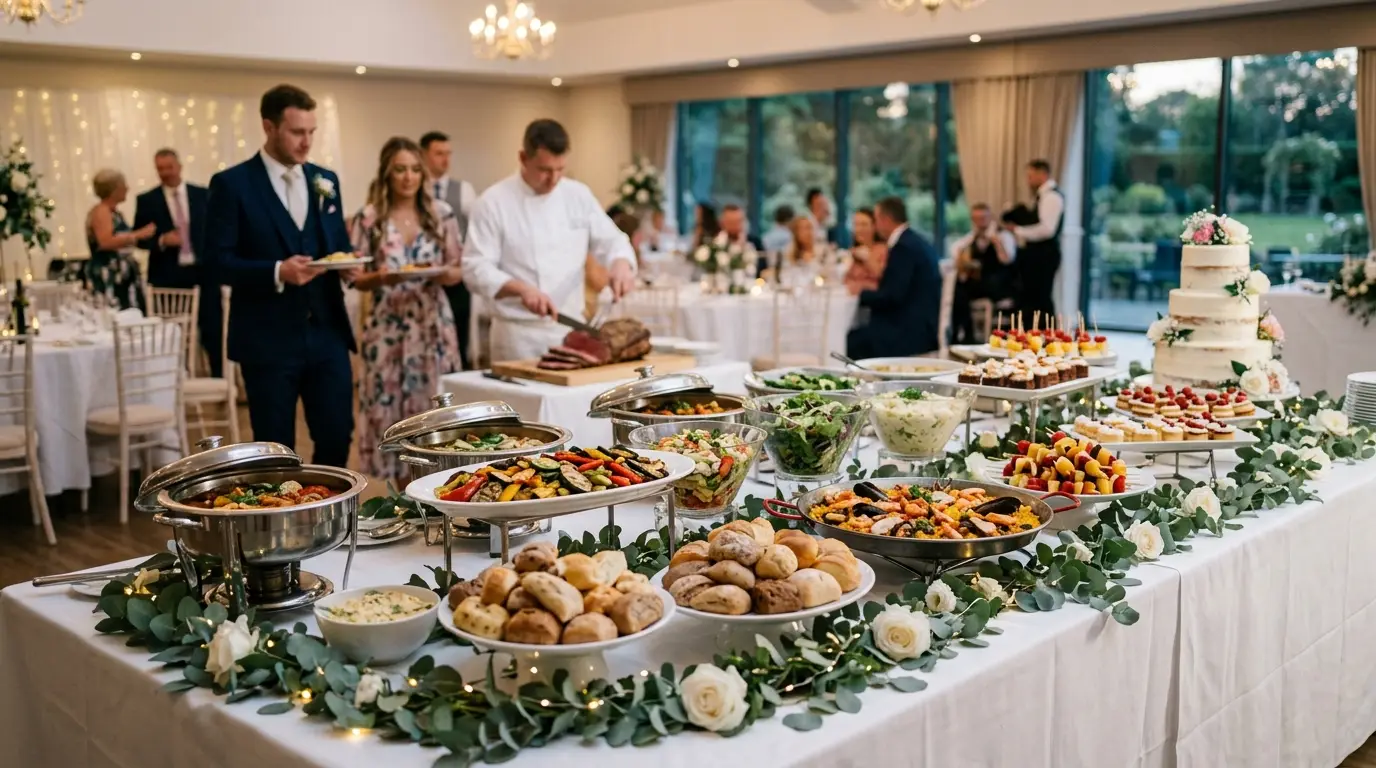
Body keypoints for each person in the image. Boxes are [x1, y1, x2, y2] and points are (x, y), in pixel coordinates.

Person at [203, 84, 358, 467]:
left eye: (311, 132)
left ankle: (328, 520)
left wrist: (347, 265)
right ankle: (285, 523)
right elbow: (217, 262)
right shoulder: (232, 185)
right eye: (297, 132)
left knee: (338, 435)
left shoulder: (326, 180)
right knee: (275, 450)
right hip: (267, 339)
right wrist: (276, 271)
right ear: (269, 127)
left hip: (326, 333)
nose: (307, 142)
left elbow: (335, 243)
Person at [461, 119, 637, 362]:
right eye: (544, 170)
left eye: (560, 169)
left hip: (569, 328)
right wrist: (521, 289)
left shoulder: (577, 195)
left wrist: (621, 263)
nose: (553, 179)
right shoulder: (493, 202)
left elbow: (612, 239)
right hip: (517, 336)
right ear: (523, 158)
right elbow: (474, 268)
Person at [348, 137, 465, 481]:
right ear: (387, 173)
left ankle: (438, 493)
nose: (408, 177)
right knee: (390, 417)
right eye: (400, 169)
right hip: (387, 327)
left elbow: (458, 269)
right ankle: (399, 500)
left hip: (432, 326)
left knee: (434, 412)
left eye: (415, 169)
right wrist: (382, 277)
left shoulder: (441, 214)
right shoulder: (369, 219)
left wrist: (443, 273)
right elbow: (354, 277)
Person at [133, 148, 223, 376]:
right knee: (171, 333)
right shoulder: (147, 200)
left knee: (213, 328)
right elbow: (140, 239)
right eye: (160, 169)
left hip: (203, 273)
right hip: (168, 276)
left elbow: (217, 230)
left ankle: (218, 379)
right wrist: (162, 239)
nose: (165, 173)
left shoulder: (203, 194)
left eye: (169, 167)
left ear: (179, 166)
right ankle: (174, 380)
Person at [846, 197, 941, 359]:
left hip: (908, 331)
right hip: (921, 323)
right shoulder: (914, 241)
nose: (875, 226)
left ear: (885, 220)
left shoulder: (904, 247)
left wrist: (859, 295)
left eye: (875, 220)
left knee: (847, 340)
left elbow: (892, 296)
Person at [420, 130, 476, 370]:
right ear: (423, 155)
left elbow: (474, 233)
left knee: (458, 333)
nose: (445, 159)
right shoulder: (413, 189)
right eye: (438, 153)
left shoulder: (463, 190)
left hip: (455, 276)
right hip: (422, 276)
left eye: (448, 154)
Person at [86, 169, 155, 311]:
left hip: (121, 274)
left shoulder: (114, 212)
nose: (127, 188)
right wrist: (138, 235)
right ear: (114, 189)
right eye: (123, 185)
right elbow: (105, 241)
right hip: (110, 274)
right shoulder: (102, 211)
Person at [1004, 159, 1064, 323]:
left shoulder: (1051, 197)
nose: (1028, 180)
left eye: (1030, 176)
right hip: (1035, 255)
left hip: (1044, 255)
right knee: (1032, 297)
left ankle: (1047, 336)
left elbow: (1047, 229)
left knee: (1041, 298)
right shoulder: (1041, 197)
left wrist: (1018, 230)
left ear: (1042, 174)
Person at [951, 203, 1017, 344]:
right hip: (979, 284)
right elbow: (956, 248)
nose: (980, 222)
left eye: (983, 218)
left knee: (962, 290)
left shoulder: (1003, 235)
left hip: (1001, 284)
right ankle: (963, 332)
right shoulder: (971, 238)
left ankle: (966, 333)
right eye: (976, 219)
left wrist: (995, 241)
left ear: (990, 217)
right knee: (956, 288)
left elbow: (1007, 260)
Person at [843, 208, 888, 294]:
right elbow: (846, 280)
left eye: (864, 225)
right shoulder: (853, 251)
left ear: (874, 227)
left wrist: (867, 258)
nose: (859, 229)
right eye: (855, 225)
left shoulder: (883, 250)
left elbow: (884, 278)